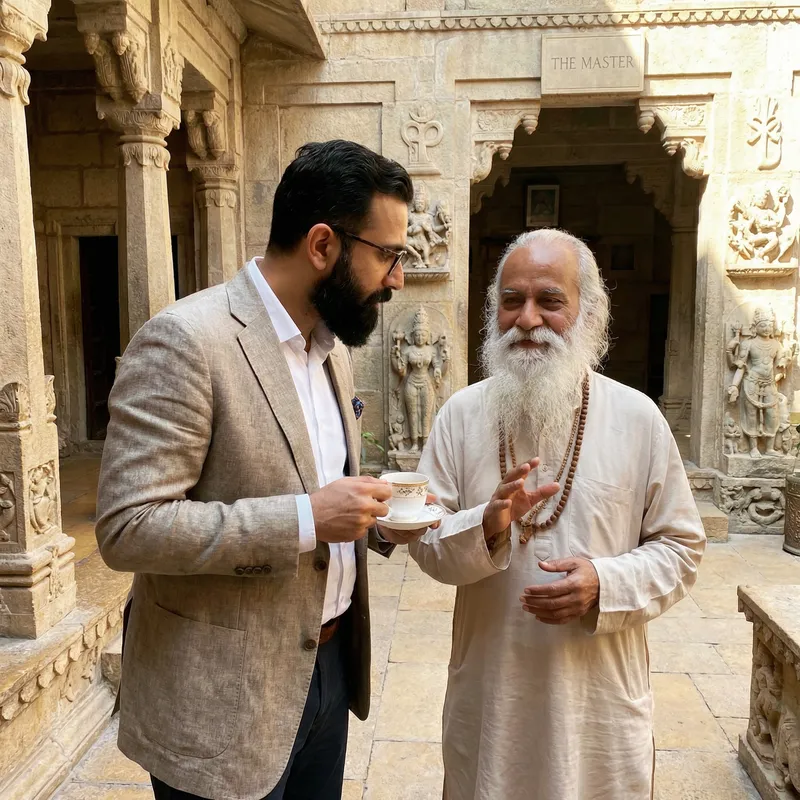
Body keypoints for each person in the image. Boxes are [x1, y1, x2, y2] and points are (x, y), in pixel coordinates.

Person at [95, 140, 427, 800]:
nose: (397, 278)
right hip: (220, 704)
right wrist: (308, 518)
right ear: (324, 246)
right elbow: (128, 527)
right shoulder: (186, 341)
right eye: (388, 255)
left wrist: (376, 520)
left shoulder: (330, 347)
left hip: (327, 671)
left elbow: (315, 484)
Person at [409, 228, 706, 800]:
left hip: (597, 711)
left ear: (589, 312)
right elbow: (425, 538)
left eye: (549, 300)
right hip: (491, 698)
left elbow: (682, 547)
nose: (527, 319)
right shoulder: (459, 415)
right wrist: (487, 524)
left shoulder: (637, 418)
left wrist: (605, 581)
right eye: (511, 301)